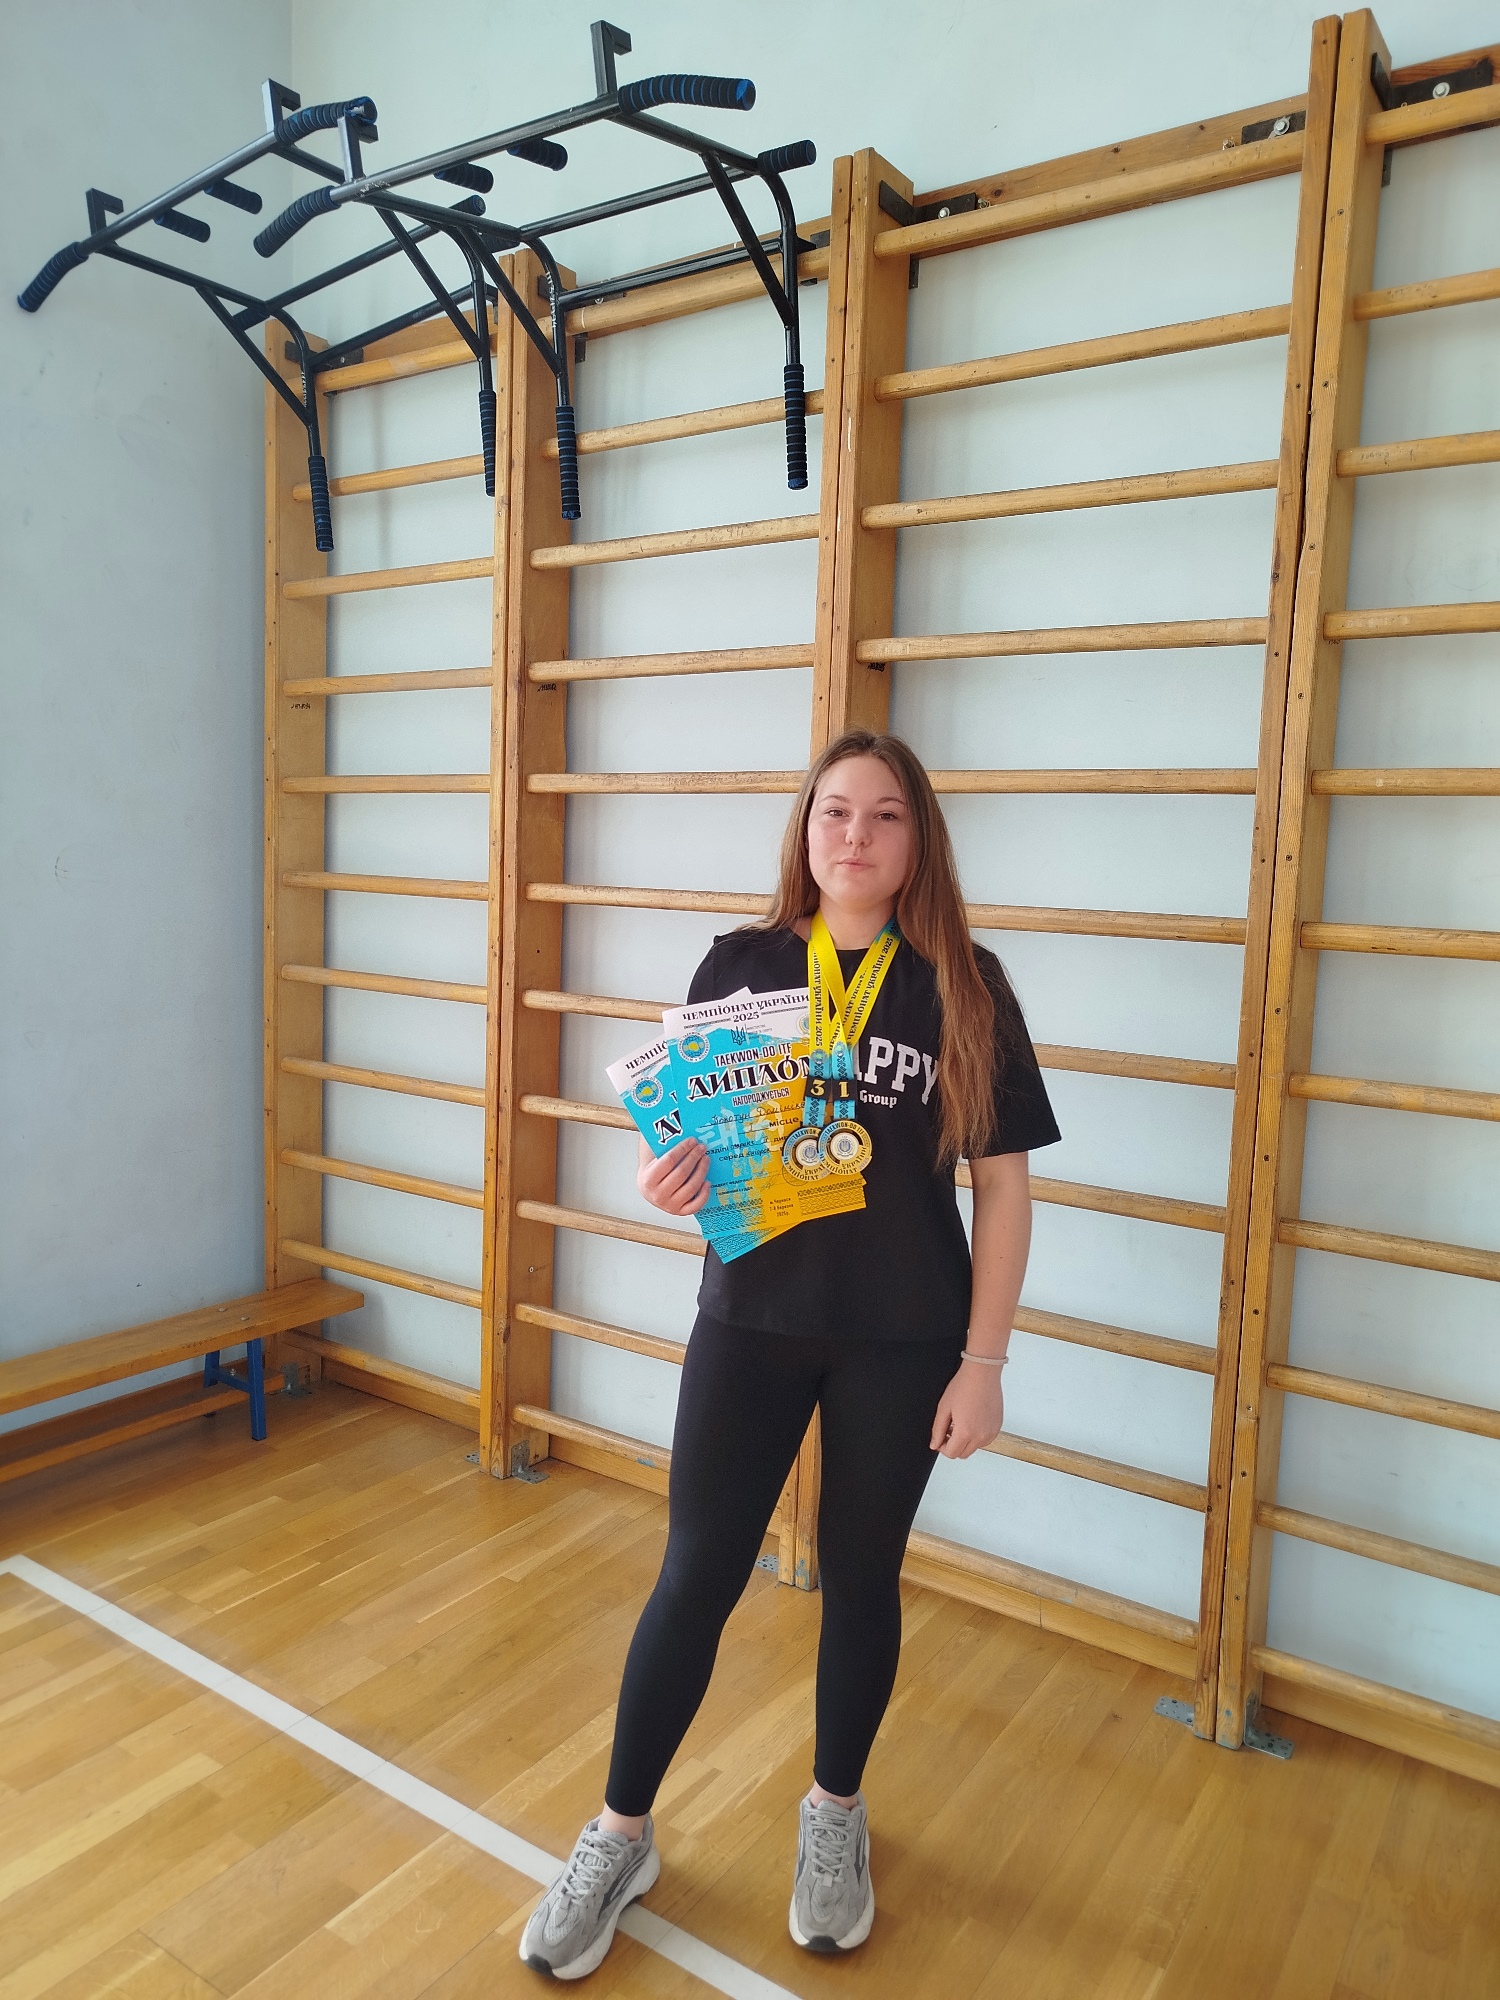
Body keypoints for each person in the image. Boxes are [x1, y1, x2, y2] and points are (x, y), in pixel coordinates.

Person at [520, 730, 1061, 1980]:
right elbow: (691, 1139)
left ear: (918, 839)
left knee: (862, 1582)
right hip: (750, 1319)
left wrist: (984, 1360)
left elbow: (1005, 1189)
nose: (856, 835)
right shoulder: (744, 965)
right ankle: (619, 1833)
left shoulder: (965, 983)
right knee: (694, 1575)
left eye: (884, 814)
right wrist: (664, 1178)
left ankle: (834, 1812)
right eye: (834, 812)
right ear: (805, 830)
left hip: (904, 1337)